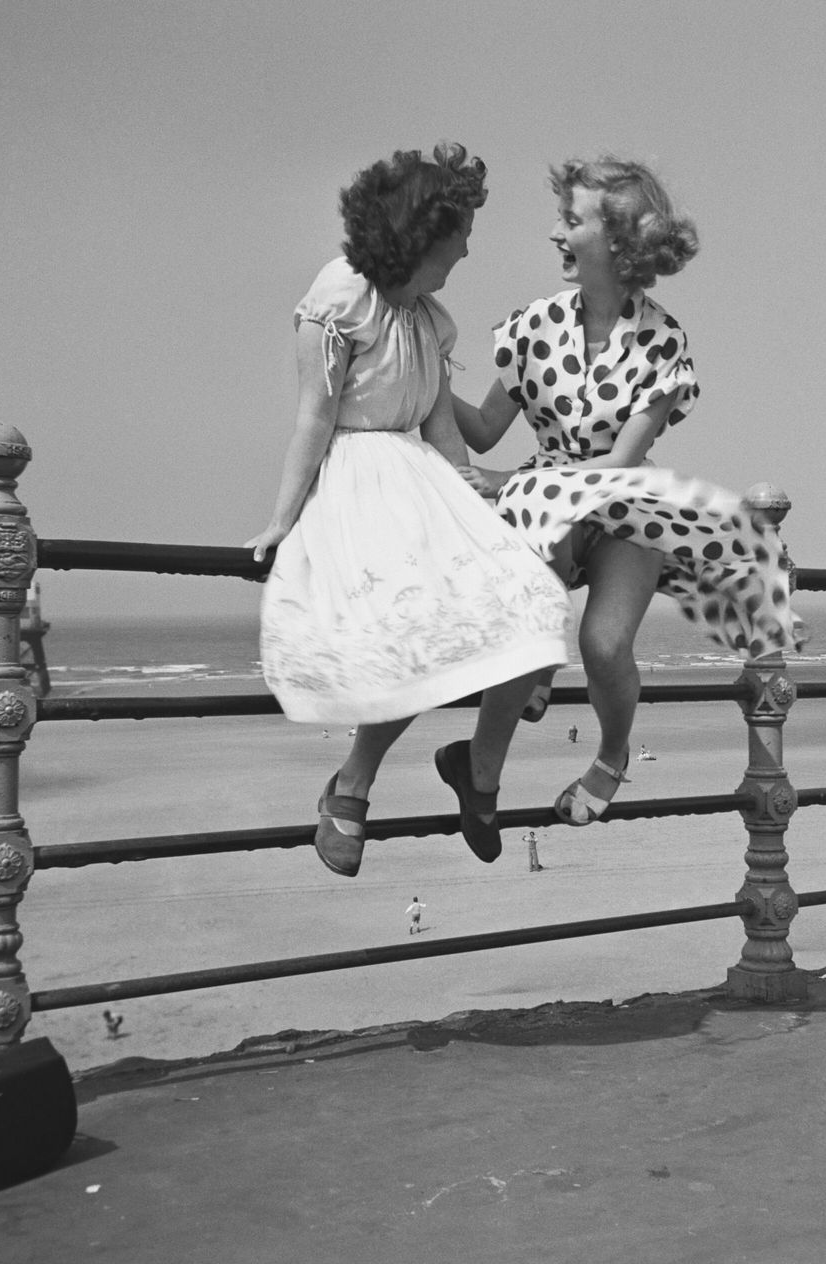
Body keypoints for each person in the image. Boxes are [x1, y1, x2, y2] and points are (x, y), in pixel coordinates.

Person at [247, 144, 571, 878]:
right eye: (458, 231)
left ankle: (477, 764)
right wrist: (281, 518)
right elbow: (313, 418)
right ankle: (353, 785)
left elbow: (445, 432)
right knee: (415, 624)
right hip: (360, 483)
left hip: (422, 483)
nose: (466, 247)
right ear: (422, 235)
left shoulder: (429, 322)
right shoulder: (339, 299)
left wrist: (482, 494)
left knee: (535, 601)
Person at [453, 156, 803, 828]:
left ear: (616, 242)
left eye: (570, 220)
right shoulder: (533, 327)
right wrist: (423, 373)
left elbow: (618, 464)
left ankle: (610, 759)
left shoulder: (662, 342)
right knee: (533, 583)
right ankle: (500, 736)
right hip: (546, 509)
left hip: (622, 510)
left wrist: (510, 484)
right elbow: (486, 428)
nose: (555, 233)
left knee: (606, 646)